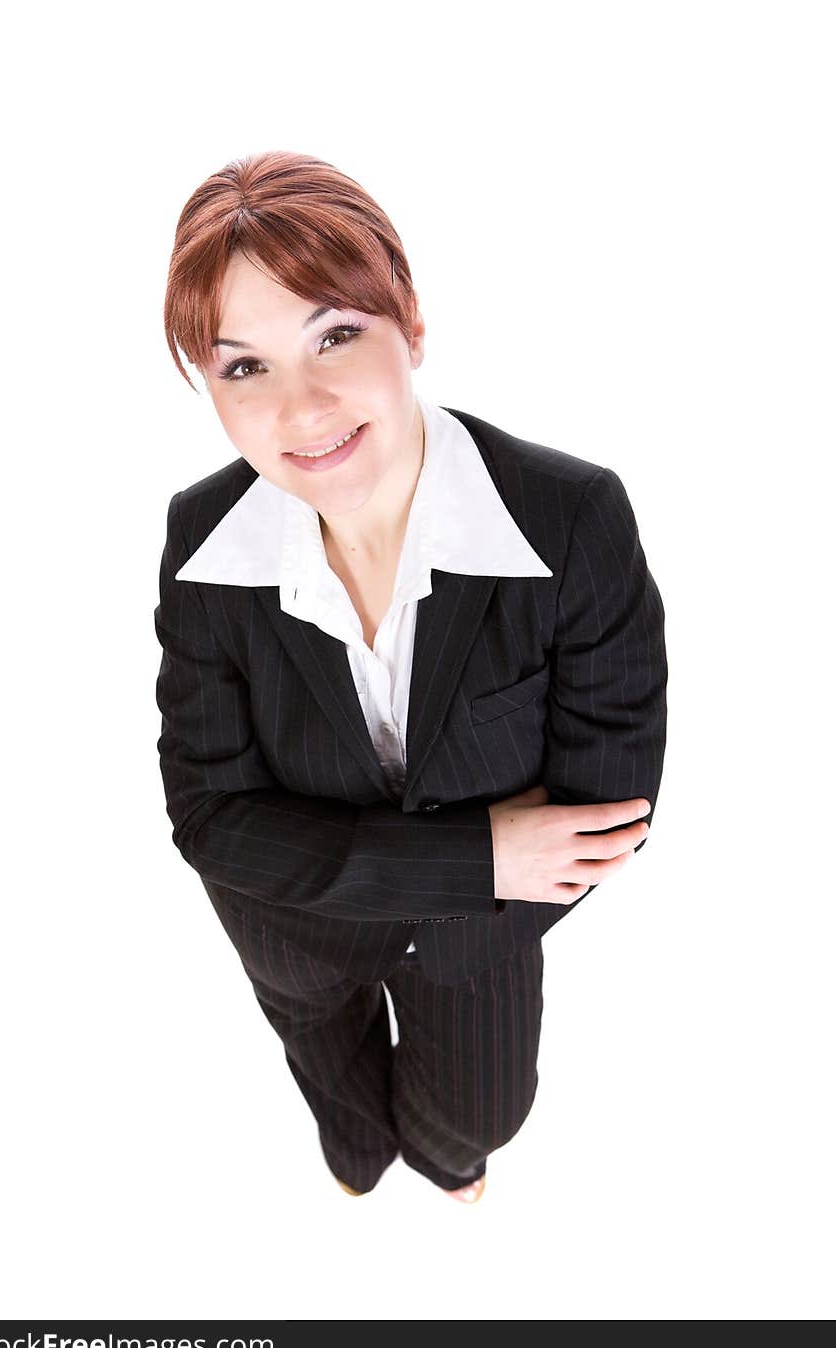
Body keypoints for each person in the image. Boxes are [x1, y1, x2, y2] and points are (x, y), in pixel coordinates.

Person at [154, 150, 668, 1203]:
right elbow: (209, 816)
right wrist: (479, 855)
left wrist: (383, 875)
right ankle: (354, 1164)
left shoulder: (570, 518)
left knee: (478, 1119)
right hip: (287, 931)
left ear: (413, 327)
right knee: (330, 1084)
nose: (301, 410)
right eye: (243, 366)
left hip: (473, 949)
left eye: (335, 334)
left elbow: (606, 817)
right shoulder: (201, 538)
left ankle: (443, 1163)